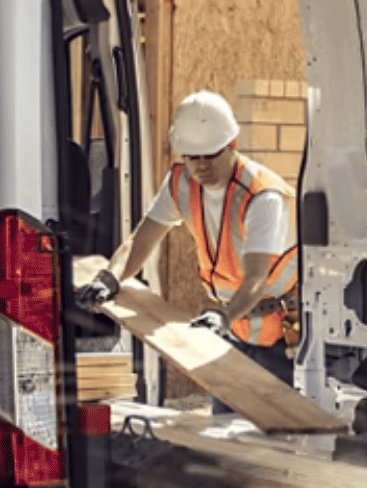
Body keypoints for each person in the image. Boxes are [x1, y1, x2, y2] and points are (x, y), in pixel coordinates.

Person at [76, 91, 300, 400]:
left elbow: (256, 280)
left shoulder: (262, 196)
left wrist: (223, 316)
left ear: (231, 146)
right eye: (192, 156)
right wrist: (109, 277)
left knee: (284, 434)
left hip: (282, 337)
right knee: (228, 432)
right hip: (234, 329)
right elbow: (142, 239)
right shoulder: (182, 182)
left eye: (211, 154)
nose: (201, 165)